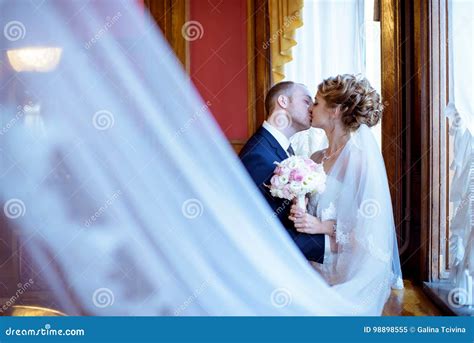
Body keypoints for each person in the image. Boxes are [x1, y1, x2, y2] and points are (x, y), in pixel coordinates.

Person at [289, 74, 404, 290]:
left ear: (336, 110)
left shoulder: (359, 162)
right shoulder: (315, 158)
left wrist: (323, 227)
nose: (310, 109)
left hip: (341, 271)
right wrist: (300, 210)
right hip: (310, 262)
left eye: (316, 102)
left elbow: (370, 230)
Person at [239, 81, 326, 263]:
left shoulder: (284, 149)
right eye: (306, 101)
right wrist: (331, 246)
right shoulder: (258, 156)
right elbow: (265, 233)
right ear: (283, 102)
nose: (312, 108)